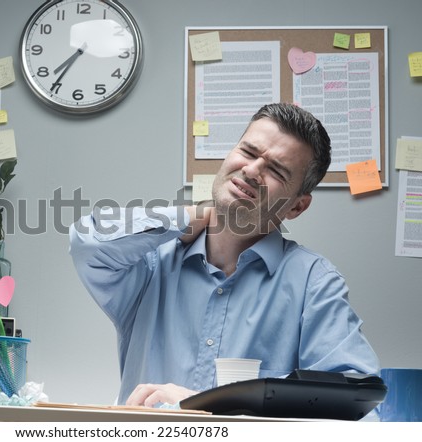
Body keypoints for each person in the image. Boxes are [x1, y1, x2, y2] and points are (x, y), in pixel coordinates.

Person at [68, 103, 379, 407]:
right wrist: (187, 217)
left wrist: (218, 404)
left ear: (296, 206)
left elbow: (353, 397)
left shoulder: (314, 284)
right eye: (248, 152)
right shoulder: (150, 265)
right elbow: (87, 242)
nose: (252, 170)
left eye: (276, 170)